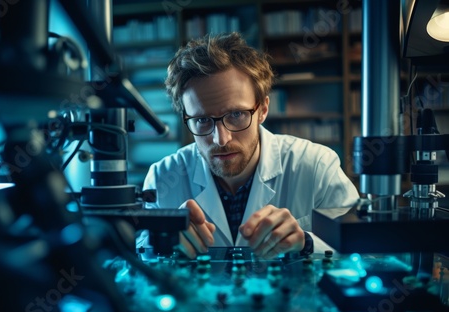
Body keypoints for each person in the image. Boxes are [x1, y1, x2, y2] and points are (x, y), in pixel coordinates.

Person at [136, 32, 359, 259]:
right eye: (202, 120)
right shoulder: (163, 177)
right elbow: (138, 256)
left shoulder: (316, 165)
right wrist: (163, 244)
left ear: (262, 109)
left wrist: (307, 243)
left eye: (236, 115)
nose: (221, 139)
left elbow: (367, 251)